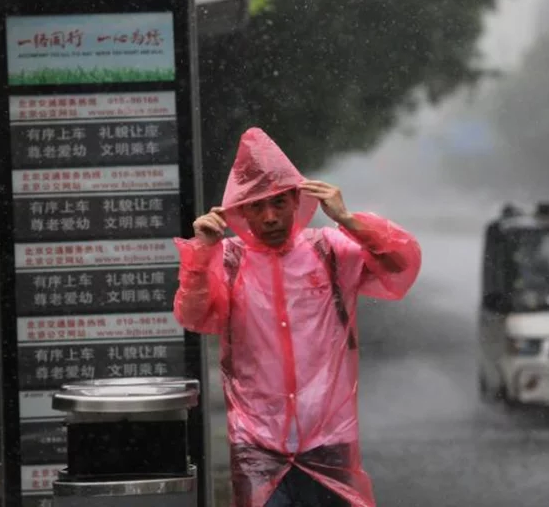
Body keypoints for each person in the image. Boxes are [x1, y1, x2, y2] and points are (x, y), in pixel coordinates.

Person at [173, 127, 422, 506]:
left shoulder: (329, 250)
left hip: (328, 437)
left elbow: (401, 266)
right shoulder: (228, 260)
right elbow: (194, 315)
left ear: (296, 201)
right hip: (258, 443)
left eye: (279, 203)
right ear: (239, 212)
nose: (270, 217)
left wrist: (351, 221)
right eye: (256, 206)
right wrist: (200, 255)